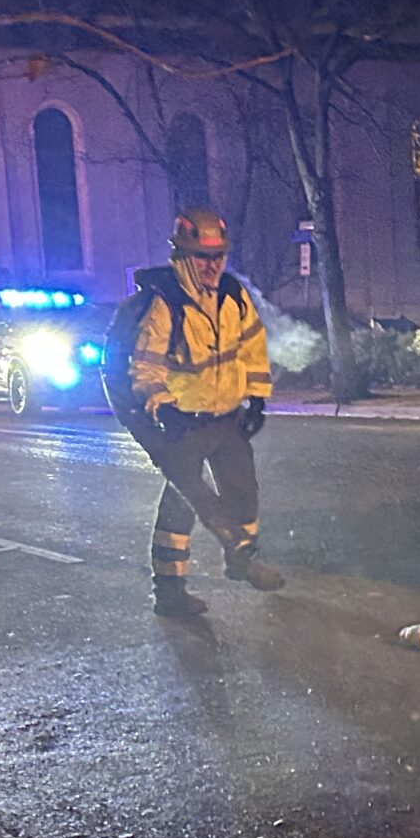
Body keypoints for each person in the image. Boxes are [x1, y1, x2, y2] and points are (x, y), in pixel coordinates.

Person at [125, 208, 280, 619]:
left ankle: (241, 560)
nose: (212, 265)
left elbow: (252, 347)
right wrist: (163, 407)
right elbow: (145, 367)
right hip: (184, 421)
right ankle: (170, 592)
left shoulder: (232, 295)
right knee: (184, 502)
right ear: (182, 258)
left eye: (218, 257)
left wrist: (256, 397)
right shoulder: (165, 304)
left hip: (225, 416)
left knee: (243, 493)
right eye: (203, 257)